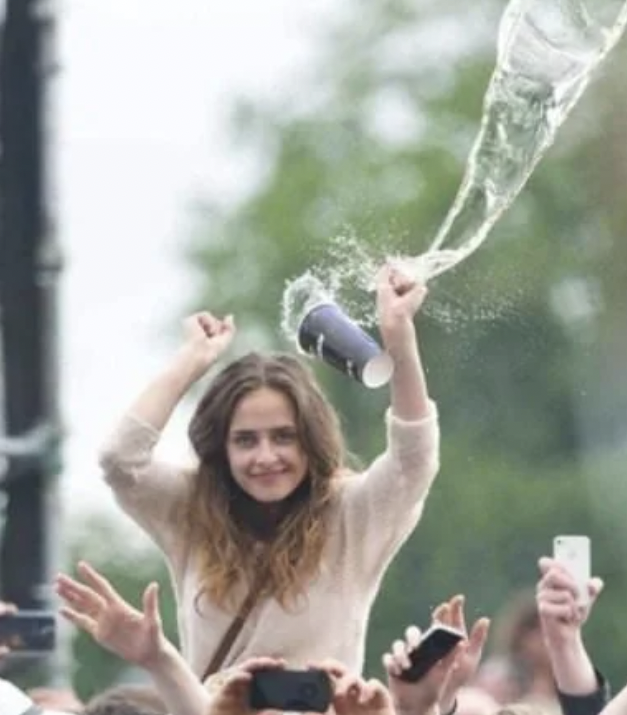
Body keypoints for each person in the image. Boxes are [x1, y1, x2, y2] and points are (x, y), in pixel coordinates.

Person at [98, 264, 439, 678]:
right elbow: (120, 460)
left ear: (310, 440)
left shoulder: (352, 513)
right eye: (245, 440)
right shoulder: (192, 508)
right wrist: (193, 360)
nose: (265, 457)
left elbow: (413, 461)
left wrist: (399, 335)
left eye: (283, 437)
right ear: (220, 448)